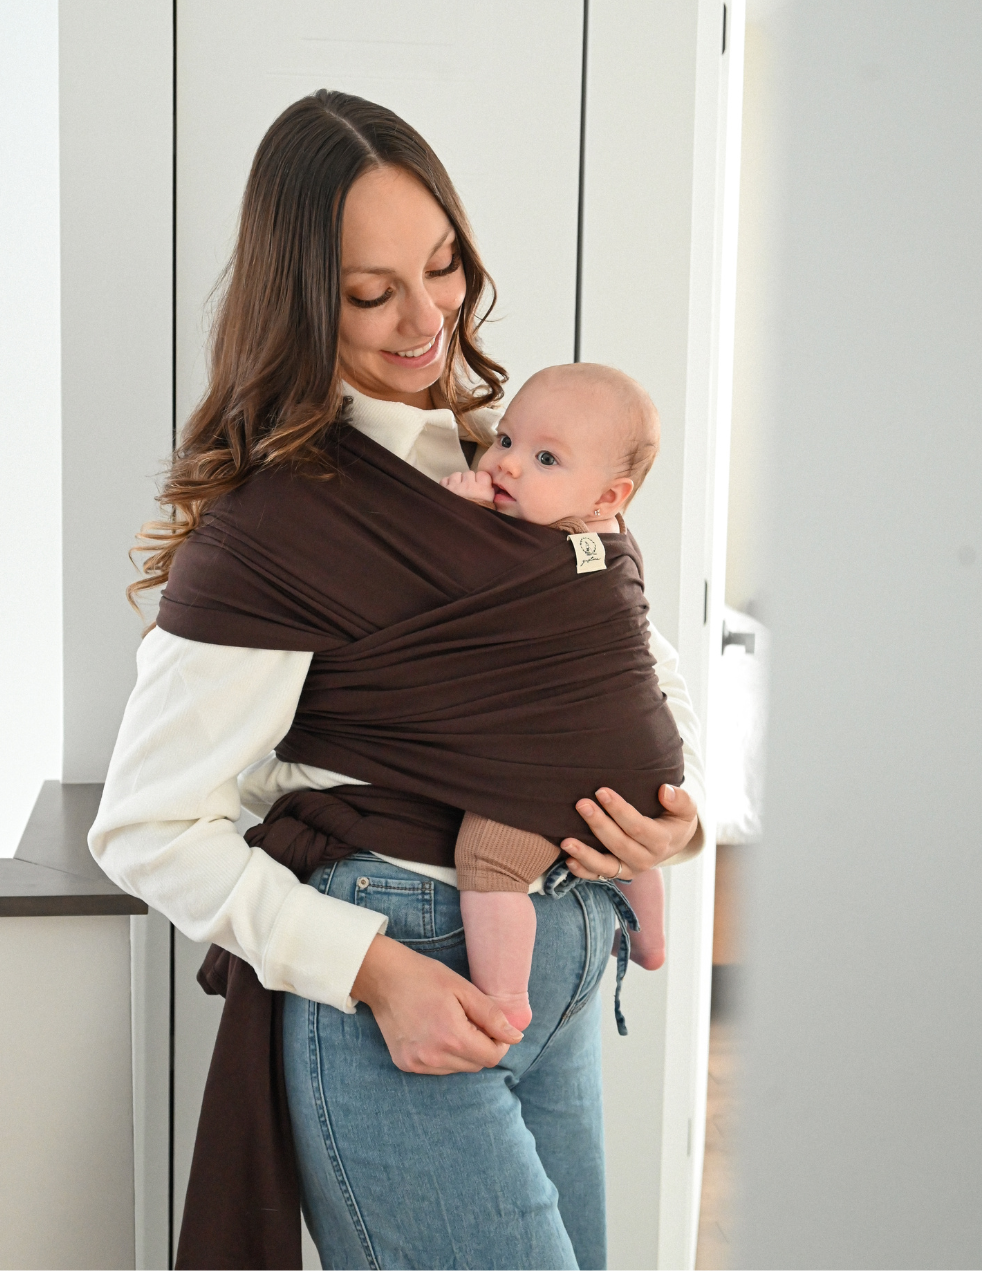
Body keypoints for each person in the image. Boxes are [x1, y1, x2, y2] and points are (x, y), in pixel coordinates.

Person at [89, 90, 704, 1271]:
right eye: (374, 293)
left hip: (568, 965)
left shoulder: (507, 451)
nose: (427, 318)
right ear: (304, 300)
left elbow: (631, 655)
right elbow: (147, 826)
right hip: (409, 980)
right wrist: (374, 972)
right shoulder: (277, 528)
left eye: (442, 266)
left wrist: (675, 817)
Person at [440, 362, 671, 1031]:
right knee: (627, 839)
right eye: (506, 440)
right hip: (649, 752)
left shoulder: (534, 551)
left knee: (488, 860)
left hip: (563, 753)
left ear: (607, 495)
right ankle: (651, 940)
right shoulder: (617, 543)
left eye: (546, 459)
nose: (507, 464)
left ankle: (506, 999)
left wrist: (458, 521)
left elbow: (462, 594)